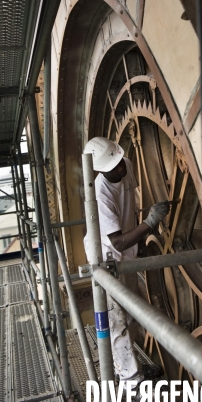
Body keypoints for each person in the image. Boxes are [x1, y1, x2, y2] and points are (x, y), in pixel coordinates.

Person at [83, 136, 170, 388]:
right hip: (106, 259)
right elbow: (118, 242)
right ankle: (132, 382)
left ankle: (134, 368)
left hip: (126, 254)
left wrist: (140, 238)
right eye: (115, 166)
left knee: (130, 314)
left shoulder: (126, 165)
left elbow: (130, 208)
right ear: (101, 170)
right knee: (116, 321)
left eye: (121, 161)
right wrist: (149, 224)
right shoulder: (100, 194)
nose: (122, 167)